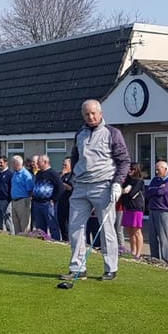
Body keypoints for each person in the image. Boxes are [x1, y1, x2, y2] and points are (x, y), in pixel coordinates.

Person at [62, 99, 130, 281]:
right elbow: (75, 156)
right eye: (87, 114)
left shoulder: (112, 133)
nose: (90, 117)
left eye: (93, 113)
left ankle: (110, 268)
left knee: (106, 229)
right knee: (75, 228)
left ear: (100, 113)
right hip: (80, 186)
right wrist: (74, 176)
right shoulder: (80, 133)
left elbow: (124, 161)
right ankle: (77, 268)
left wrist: (117, 183)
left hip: (103, 186)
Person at [145, 160, 168, 265]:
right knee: (152, 237)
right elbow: (147, 192)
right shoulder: (155, 179)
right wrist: (156, 189)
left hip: (164, 211)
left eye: (158, 169)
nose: (156, 172)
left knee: (163, 237)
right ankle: (154, 259)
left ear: (165, 169)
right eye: (156, 170)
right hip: (152, 210)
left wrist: (154, 190)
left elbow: (162, 191)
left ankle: (165, 261)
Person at [31, 154, 63, 239]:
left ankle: (56, 241)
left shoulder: (53, 173)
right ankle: (42, 241)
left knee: (53, 225)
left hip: (48, 203)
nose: (37, 164)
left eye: (39, 162)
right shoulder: (38, 174)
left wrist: (54, 199)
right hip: (37, 203)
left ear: (45, 162)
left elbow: (60, 187)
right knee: (40, 228)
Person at [119, 163, 146, 261]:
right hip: (128, 207)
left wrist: (124, 192)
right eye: (129, 169)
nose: (129, 171)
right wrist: (123, 191)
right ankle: (133, 251)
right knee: (130, 231)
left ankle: (138, 253)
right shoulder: (128, 180)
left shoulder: (139, 181)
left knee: (136, 231)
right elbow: (121, 192)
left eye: (132, 169)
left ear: (136, 170)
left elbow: (132, 193)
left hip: (136, 208)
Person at [9, 155, 34, 235]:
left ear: (17, 164)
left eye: (13, 163)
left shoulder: (26, 174)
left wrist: (27, 202)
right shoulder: (15, 174)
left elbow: (30, 190)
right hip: (14, 201)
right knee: (16, 224)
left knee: (24, 225)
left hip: (23, 201)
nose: (12, 165)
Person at [57, 158, 74, 239]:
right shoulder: (60, 175)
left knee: (68, 224)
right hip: (60, 203)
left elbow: (70, 188)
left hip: (69, 204)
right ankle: (64, 239)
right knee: (61, 223)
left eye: (65, 165)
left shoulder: (72, 175)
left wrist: (61, 182)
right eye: (63, 165)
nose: (63, 166)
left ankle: (69, 240)